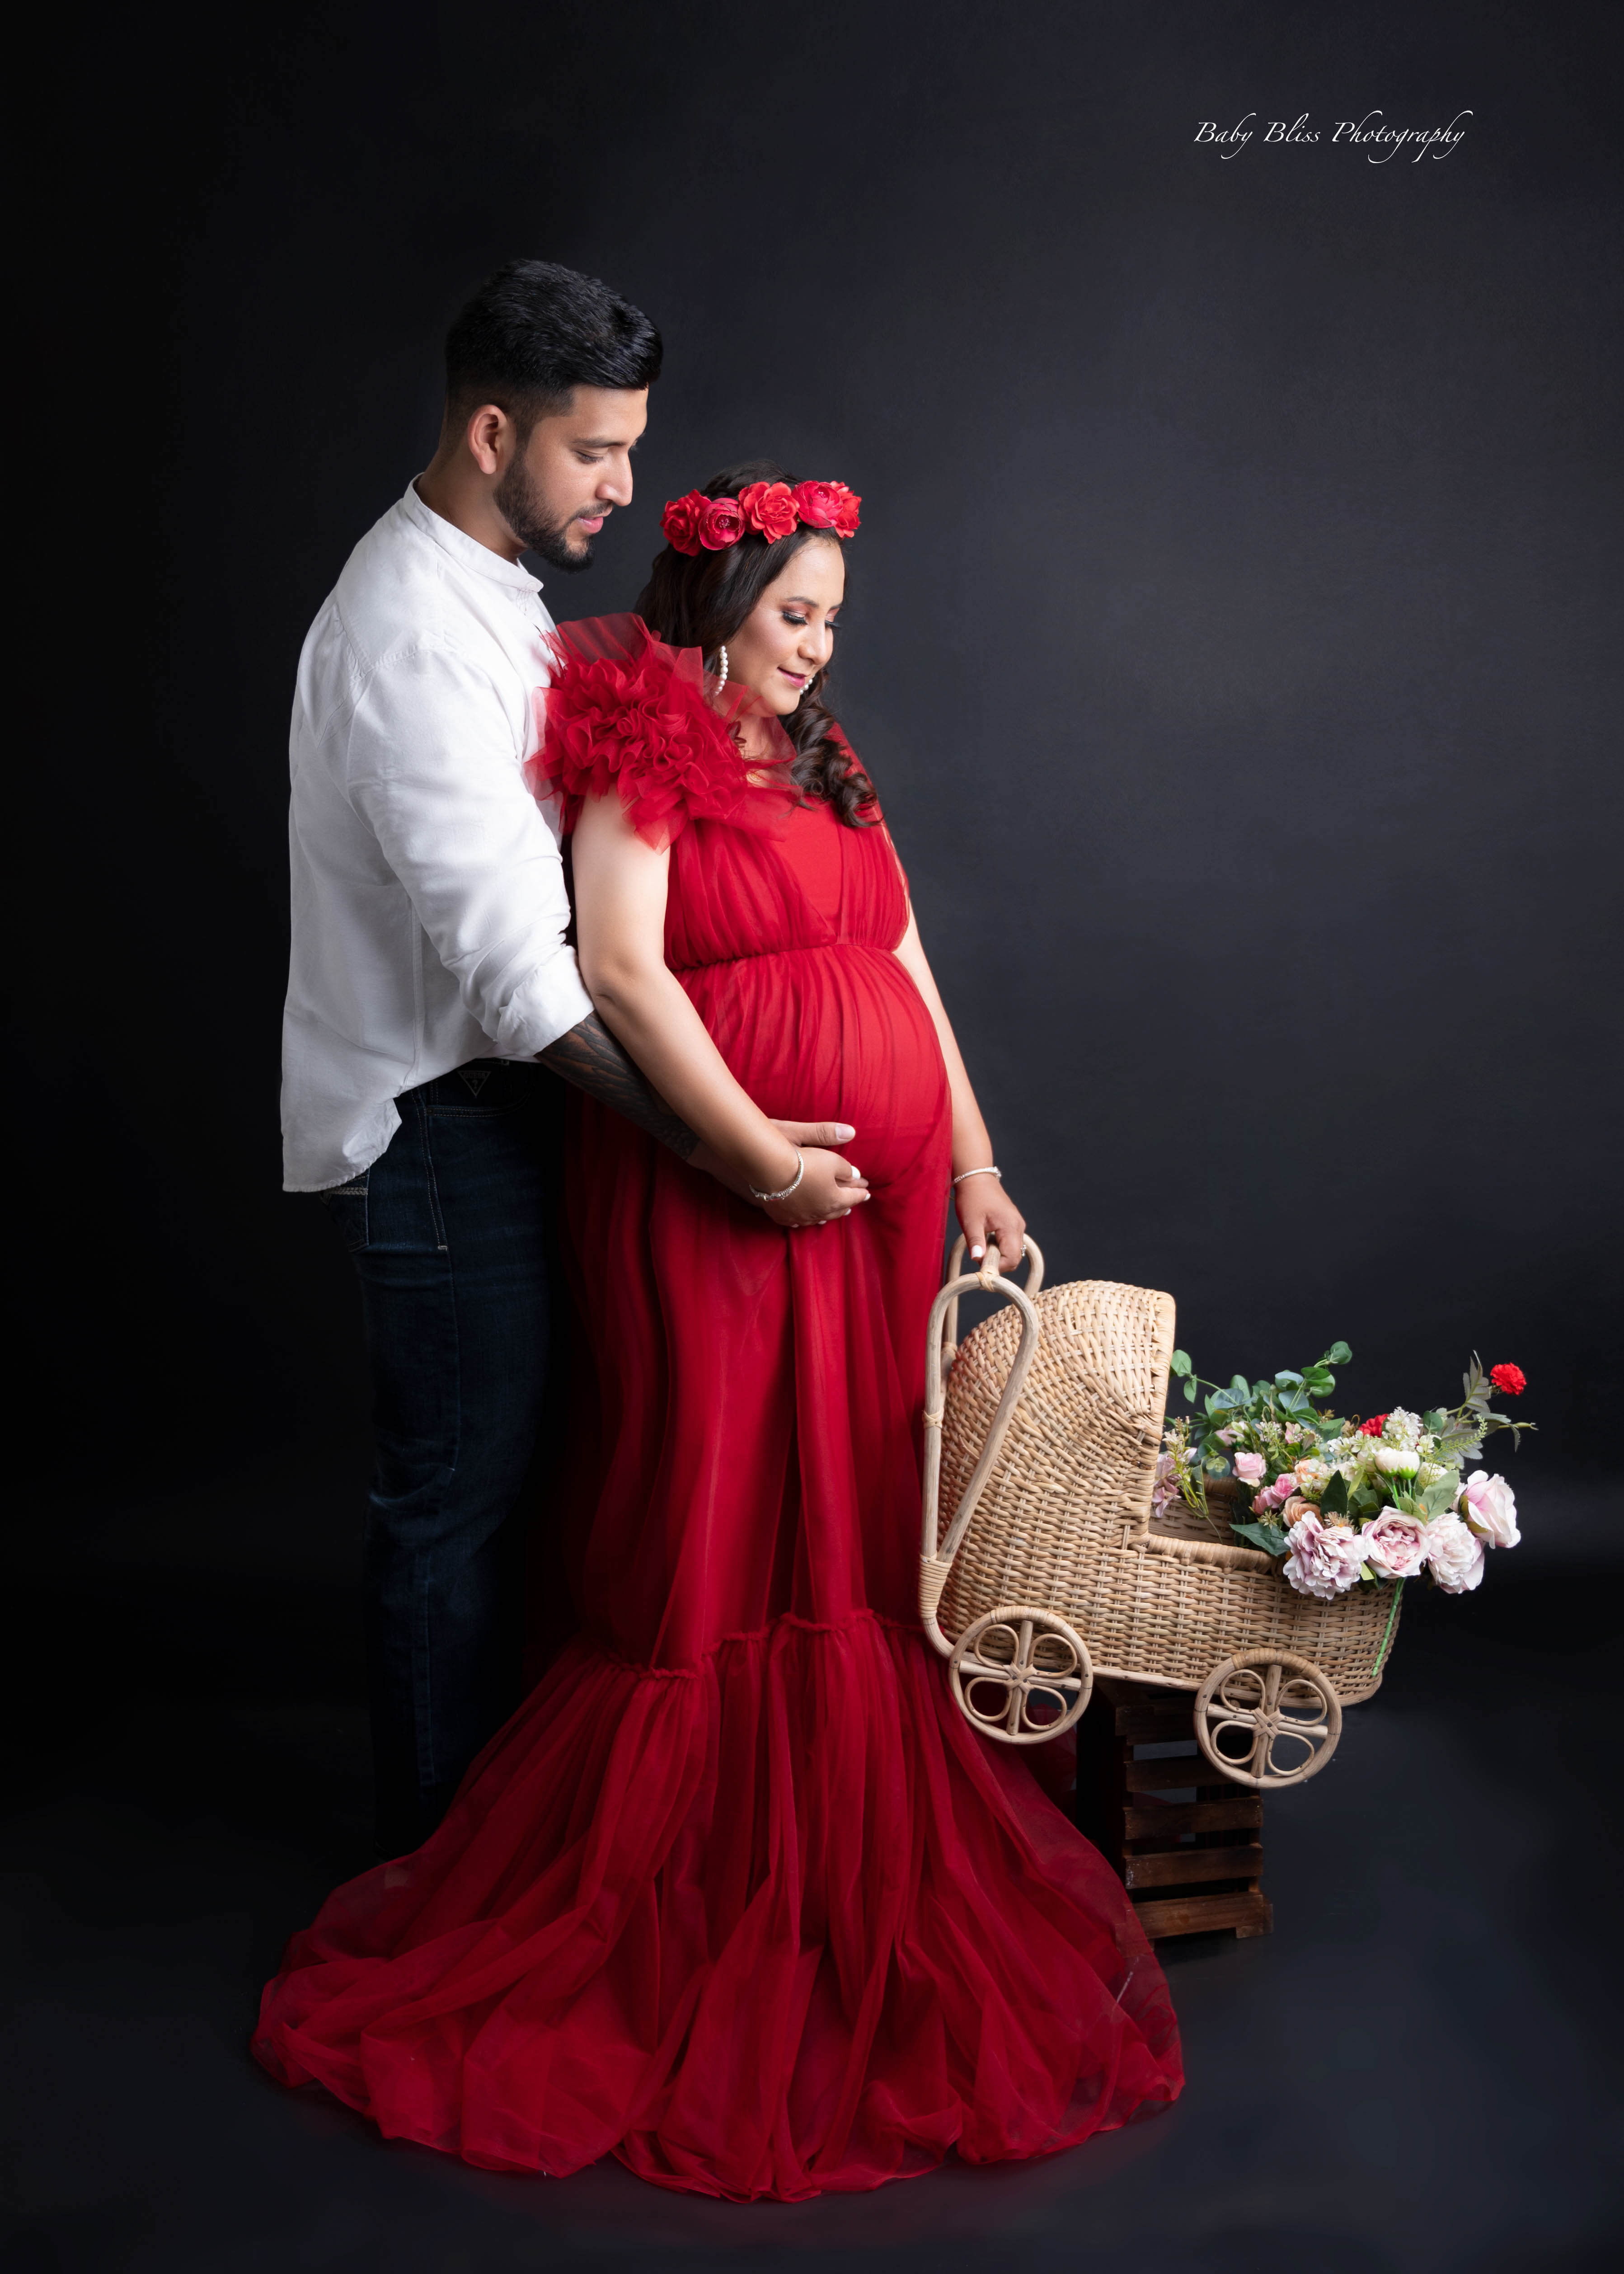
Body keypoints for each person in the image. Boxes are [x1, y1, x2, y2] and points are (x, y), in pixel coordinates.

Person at [256, 464, 1183, 2197]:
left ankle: (839, 1844)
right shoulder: (641, 740)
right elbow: (618, 970)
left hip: (873, 1210)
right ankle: (691, 1873)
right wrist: (754, 1157)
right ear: (723, 601)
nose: (818, 647)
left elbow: (904, 961)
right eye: (794, 614)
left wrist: (973, 1160)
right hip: (716, 1190)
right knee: (718, 1503)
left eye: (832, 619)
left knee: (852, 1500)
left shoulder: (827, 757)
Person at [282, 270, 857, 1857]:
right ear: (492, 434)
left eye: (629, 447)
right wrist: (738, 1152)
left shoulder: (495, 590)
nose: (622, 484)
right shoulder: (410, 635)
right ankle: (432, 1877)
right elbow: (528, 986)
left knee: (541, 1498)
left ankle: (507, 1851)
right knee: (456, 1512)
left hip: (518, 1120)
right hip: (442, 1134)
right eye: (593, 452)